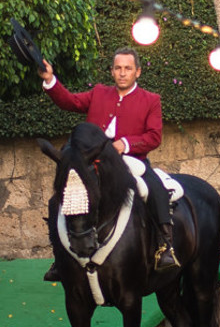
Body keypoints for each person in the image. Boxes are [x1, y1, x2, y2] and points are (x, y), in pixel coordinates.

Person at [39, 48, 179, 273]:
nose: (122, 73)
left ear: (138, 72)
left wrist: (125, 144)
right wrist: (49, 80)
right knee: (58, 199)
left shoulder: (151, 100)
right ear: (112, 71)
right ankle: (59, 258)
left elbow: (154, 137)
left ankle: (165, 246)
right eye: (118, 68)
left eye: (128, 68)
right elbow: (70, 102)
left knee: (155, 189)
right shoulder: (98, 93)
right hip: (93, 164)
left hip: (131, 161)